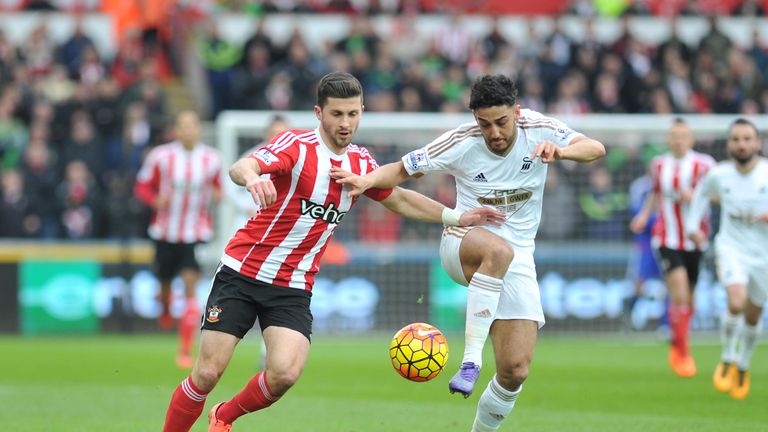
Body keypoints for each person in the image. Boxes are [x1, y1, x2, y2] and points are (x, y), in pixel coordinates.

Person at [160, 72, 504, 432]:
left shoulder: (360, 163)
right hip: (243, 271)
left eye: (352, 114)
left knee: (284, 374)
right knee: (208, 372)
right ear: (318, 113)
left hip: (293, 285)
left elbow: (399, 198)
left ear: (362, 112)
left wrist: (457, 216)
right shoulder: (296, 146)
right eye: (337, 114)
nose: (345, 123)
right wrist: (253, 178)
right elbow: (241, 166)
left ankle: (224, 416)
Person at [331, 74, 605, 431]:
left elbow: (595, 148)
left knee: (514, 370)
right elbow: (400, 170)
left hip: (517, 257)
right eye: (484, 123)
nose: (494, 132)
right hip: (463, 241)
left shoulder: (540, 128)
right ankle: (471, 360)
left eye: (502, 122)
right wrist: (367, 180)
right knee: (498, 249)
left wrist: (562, 151)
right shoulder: (460, 141)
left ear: (517, 113)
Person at [686, 118, 768, 400]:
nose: (741, 144)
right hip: (731, 247)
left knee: (754, 314)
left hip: (763, 254)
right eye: (736, 139)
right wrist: (692, 226)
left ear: (757, 142)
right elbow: (700, 194)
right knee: (736, 301)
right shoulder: (719, 174)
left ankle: (743, 364)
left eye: (747, 138)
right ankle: (727, 356)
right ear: (729, 143)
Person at [135, 110, 222, 369]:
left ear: (198, 129)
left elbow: (219, 184)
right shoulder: (161, 156)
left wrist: (217, 193)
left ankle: (185, 350)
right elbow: (141, 186)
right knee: (164, 287)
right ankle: (164, 306)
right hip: (165, 232)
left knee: (190, 286)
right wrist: (153, 200)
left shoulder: (211, 158)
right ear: (176, 130)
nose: (188, 130)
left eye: (192, 126)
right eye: (183, 126)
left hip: (194, 233)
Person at [629, 119, 715, 378]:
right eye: (674, 136)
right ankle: (682, 351)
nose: (678, 140)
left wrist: (699, 197)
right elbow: (655, 193)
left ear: (691, 139)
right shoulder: (659, 164)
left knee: (690, 297)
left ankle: (679, 342)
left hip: (696, 238)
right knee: (677, 293)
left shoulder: (705, 164)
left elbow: (720, 195)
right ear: (668, 140)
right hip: (666, 237)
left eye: (683, 136)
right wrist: (645, 215)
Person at [223, 114, 289, 370]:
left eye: (282, 132)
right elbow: (231, 187)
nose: (278, 137)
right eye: (274, 132)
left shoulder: (295, 157)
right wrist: (247, 206)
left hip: (280, 238)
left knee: (275, 292)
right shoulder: (253, 158)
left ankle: (267, 349)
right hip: (248, 235)